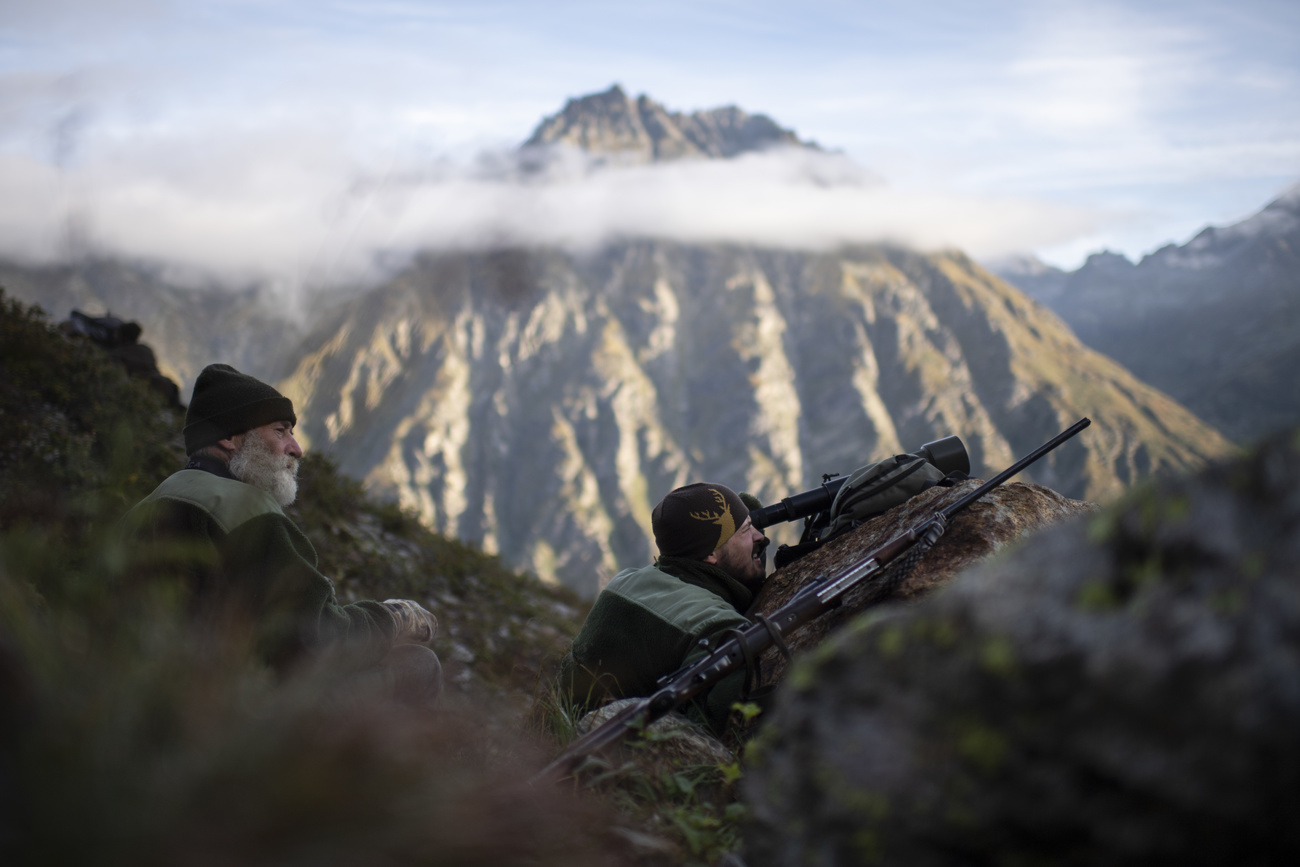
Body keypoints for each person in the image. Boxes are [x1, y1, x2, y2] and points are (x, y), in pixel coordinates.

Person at [122, 363, 441, 707]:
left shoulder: (154, 500)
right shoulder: (246, 510)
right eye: (280, 431)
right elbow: (315, 641)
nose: (296, 448)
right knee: (418, 664)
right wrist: (391, 618)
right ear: (228, 437)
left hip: (141, 703)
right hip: (230, 712)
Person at [563, 482, 770, 734]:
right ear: (711, 555)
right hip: (618, 756)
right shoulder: (718, 626)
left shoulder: (624, 581)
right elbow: (718, 734)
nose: (761, 537)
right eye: (747, 529)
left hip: (564, 736)